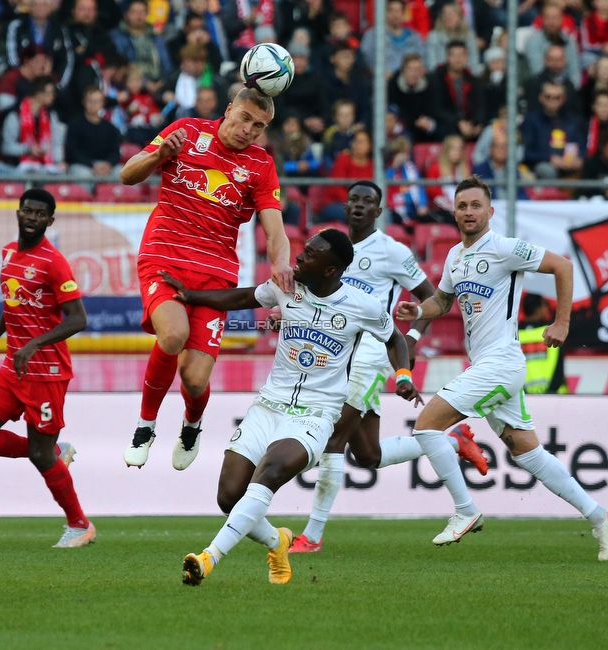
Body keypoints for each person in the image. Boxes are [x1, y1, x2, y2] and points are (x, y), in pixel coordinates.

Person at [175, 229, 422, 585]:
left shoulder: (362, 305)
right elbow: (243, 297)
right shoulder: (285, 286)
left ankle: (209, 558)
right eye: (303, 250)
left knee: (270, 473)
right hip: (268, 405)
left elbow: (394, 337)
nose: (300, 257)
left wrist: (402, 374)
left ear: (330, 270)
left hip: (315, 413)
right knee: (229, 497)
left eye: (311, 253)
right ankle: (279, 541)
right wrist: (192, 295)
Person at [396, 176, 608, 560]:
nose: (469, 212)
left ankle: (465, 510)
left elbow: (563, 266)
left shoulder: (503, 248)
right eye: (462, 205)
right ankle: (599, 515)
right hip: (488, 363)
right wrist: (418, 311)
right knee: (525, 451)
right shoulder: (454, 256)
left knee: (427, 424)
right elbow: (443, 302)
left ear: (489, 211)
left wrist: (562, 322)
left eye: (475, 205)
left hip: (501, 362)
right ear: (454, 211)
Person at [289, 182, 489, 553]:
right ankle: (451, 440)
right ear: (345, 206)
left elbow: (432, 298)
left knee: (333, 439)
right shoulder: (331, 249)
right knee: (367, 455)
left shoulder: (392, 252)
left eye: (369, 201)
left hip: (370, 354)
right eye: (354, 199)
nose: (360, 206)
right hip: (337, 355)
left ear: (379, 211)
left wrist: (411, 340)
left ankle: (312, 536)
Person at [119, 88, 292, 470]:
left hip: (215, 275)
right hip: (165, 256)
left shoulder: (261, 165)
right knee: (173, 334)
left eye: (259, 126)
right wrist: (159, 154)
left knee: (195, 380)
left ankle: (192, 424)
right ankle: (145, 426)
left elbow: (275, 230)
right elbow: (128, 174)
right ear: (229, 110)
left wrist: (281, 262)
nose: (249, 130)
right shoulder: (186, 130)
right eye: (245, 118)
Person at [0, 188, 95, 550]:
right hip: (11, 367)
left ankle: (79, 524)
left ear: (50, 221)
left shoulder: (53, 262)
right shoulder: (8, 253)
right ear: (19, 213)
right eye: (28, 211)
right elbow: (13, 304)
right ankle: (53, 451)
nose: (33, 218)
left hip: (47, 373)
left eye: (41, 214)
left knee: (40, 455)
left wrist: (35, 343)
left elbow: (79, 318)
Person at [521, 81, 585, 179]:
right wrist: (550, 158)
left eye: (557, 97)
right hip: (541, 166)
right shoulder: (531, 120)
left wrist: (579, 159)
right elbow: (526, 153)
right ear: (541, 98)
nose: (552, 100)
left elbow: (582, 147)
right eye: (548, 97)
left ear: (563, 99)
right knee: (547, 170)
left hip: (570, 165)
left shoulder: (573, 121)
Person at [1, 76, 66, 173]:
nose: (53, 96)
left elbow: (56, 143)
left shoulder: (51, 116)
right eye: (50, 93)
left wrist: (59, 162)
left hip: (46, 166)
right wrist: (27, 149)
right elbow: (6, 147)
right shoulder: (15, 116)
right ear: (38, 94)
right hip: (18, 167)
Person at [6, 0, 75, 90]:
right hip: (23, 79)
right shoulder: (18, 26)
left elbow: (67, 59)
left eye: (44, 5)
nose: (40, 8)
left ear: (51, 7)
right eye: (36, 5)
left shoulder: (59, 29)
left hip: (50, 80)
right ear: (29, 7)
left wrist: (59, 85)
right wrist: (27, 72)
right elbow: (12, 55)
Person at [65, 86, 123, 186]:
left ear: (103, 103)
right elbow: (72, 152)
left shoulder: (110, 128)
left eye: (97, 101)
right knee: (83, 174)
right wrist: (92, 165)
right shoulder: (75, 125)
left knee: (125, 173)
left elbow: (115, 151)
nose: (93, 105)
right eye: (90, 101)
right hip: (83, 165)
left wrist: (108, 164)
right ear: (84, 102)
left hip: (106, 165)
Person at [359, 0, 424, 77]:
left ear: (403, 14)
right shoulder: (372, 35)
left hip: (409, 82)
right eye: (391, 10)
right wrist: (379, 73)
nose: (395, 14)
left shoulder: (414, 37)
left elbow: (422, 60)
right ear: (384, 12)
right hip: (383, 82)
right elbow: (366, 62)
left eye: (398, 11)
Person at [519, 294, 567, 394]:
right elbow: (559, 370)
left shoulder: (514, 334)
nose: (546, 310)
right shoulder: (552, 333)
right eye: (545, 306)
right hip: (556, 397)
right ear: (539, 309)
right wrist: (549, 393)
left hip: (524, 397)